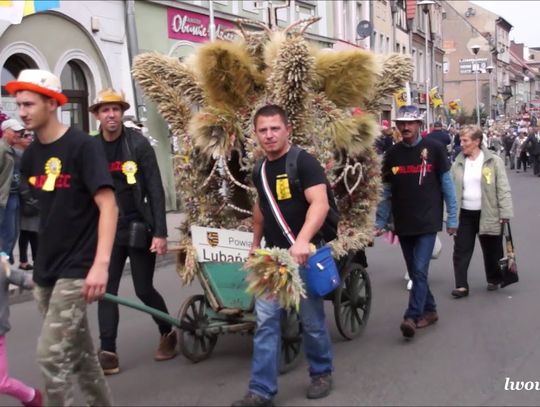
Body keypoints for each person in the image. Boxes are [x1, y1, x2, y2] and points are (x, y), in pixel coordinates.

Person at [7, 69, 117, 406]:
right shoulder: (31, 157)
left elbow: (108, 206)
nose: (21, 111)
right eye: (19, 104)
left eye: (28, 103)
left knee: (51, 357)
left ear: (51, 103)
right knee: (82, 356)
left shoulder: (83, 147)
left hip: (78, 267)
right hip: (46, 269)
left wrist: (100, 266)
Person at [233, 105, 334, 406]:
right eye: (263, 130)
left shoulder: (304, 162)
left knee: (312, 320)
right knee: (265, 323)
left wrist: (302, 241)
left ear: (287, 129)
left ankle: (321, 372)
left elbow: (320, 204)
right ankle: (261, 391)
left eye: (275, 128)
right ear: (256, 134)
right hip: (271, 259)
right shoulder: (259, 170)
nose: (269, 135)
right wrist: (254, 243)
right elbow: (261, 210)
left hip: (303, 254)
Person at [91, 88, 176, 375]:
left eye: (116, 109)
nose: (111, 115)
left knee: (143, 289)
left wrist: (161, 233)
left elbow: (155, 189)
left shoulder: (138, 144)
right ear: (97, 115)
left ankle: (168, 332)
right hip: (107, 229)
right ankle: (108, 351)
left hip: (139, 225)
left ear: (122, 113)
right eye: (105, 110)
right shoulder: (91, 148)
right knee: (106, 290)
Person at [375, 105, 457, 339]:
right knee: (414, 270)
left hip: (428, 222)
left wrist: (452, 218)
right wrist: (380, 221)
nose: (405, 127)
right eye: (401, 123)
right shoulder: (391, 154)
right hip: (403, 222)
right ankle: (430, 310)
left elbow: (448, 186)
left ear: (419, 124)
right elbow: (386, 191)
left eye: (410, 123)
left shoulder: (435, 148)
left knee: (419, 271)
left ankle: (411, 316)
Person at [450, 125, 513, 297]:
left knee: (492, 250)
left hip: (488, 212)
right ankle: (461, 285)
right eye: (461, 140)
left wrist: (505, 212)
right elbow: (451, 190)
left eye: (465, 140)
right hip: (465, 214)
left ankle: (493, 278)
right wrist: (449, 215)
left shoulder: (493, 161)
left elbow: (503, 188)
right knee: (461, 250)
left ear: (477, 141)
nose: (461, 144)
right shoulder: (458, 162)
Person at [0, 254, 42, 406]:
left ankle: (31, 397)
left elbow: (26, 280)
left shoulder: (2, 269)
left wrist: (47, 277)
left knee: (1, 383)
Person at [0, 119, 24, 264]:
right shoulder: (2, 149)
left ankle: (5, 262)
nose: (18, 134)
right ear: (5, 131)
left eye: (19, 131)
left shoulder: (13, 150)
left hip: (13, 196)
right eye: (15, 131)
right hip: (4, 198)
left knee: (13, 233)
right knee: (7, 234)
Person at [15, 131, 38, 271]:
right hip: (24, 197)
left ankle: (35, 259)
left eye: (31, 135)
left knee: (33, 231)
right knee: (26, 232)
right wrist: (27, 196)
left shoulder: (29, 153)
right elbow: (19, 179)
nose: (30, 138)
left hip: (33, 196)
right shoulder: (17, 155)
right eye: (26, 136)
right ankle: (23, 261)